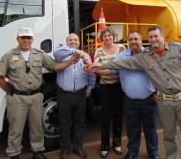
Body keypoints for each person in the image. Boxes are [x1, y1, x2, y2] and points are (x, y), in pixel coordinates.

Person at [86, 25, 181, 159]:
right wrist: (100, 66)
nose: (153, 39)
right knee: (168, 138)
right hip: (163, 101)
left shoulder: (177, 48)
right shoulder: (145, 57)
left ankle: (169, 154)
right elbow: (119, 64)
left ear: (163, 36)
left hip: (180, 99)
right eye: (151, 37)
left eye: (156, 36)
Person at [0, 27, 80, 159]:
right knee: (16, 129)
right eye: (23, 37)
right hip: (17, 99)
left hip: (36, 97)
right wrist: (11, 91)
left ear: (32, 40)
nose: (26, 40)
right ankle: (14, 154)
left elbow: (55, 66)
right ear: (17, 39)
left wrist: (69, 62)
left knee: (37, 128)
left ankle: (38, 152)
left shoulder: (39, 54)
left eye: (29, 38)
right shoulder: (8, 56)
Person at [98, 30, 160, 159]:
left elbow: (159, 74)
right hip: (130, 100)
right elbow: (112, 71)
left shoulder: (151, 54)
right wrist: (96, 70)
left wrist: (157, 92)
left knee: (150, 129)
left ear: (141, 40)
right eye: (130, 39)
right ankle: (132, 151)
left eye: (135, 39)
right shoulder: (122, 56)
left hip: (149, 100)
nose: (133, 42)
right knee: (132, 129)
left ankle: (153, 152)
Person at [54, 33, 96, 159]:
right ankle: (65, 149)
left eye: (75, 40)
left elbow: (91, 74)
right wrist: (76, 51)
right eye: (70, 40)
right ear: (67, 42)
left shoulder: (86, 56)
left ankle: (78, 147)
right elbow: (56, 53)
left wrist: (89, 89)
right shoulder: (62, 55)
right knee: (64, 123)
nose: (73, 41)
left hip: (80, 94)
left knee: (79, 122)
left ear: (79, 42)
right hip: (64, 94)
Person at [95, 27, 126, 158]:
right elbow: (96, 70)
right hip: (105, 86)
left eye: (109, 35)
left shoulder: (122, 49)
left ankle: (117, 143)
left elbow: (125, 65)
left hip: (119, 86)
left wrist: (108, 70)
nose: (107, 38)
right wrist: (111, 71)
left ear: (113, 36)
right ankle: (104, 146)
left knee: (118, 115)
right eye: (105, 36)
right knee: (105, 116)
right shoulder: (99, 51)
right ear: (102, 39)